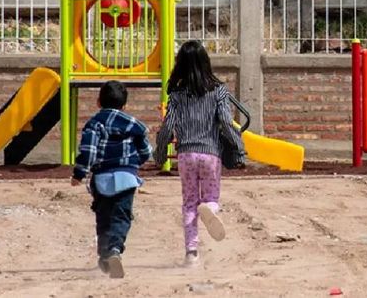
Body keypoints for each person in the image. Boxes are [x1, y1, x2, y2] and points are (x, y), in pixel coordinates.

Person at [155, 40, 245, 266]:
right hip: (211, 155)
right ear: (206, 62)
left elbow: (167, 126)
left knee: (189, 203)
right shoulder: (219, 91)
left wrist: (159, 152)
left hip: (186, 155)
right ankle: (211, 208)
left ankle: (191, 253)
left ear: (180, 65)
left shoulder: (176, 95)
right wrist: (238, 148)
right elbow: (225, 122)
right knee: (211, 198)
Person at [71, 80, 151, 278]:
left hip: (102, 178)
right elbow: (146, 151)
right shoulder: (134, 124)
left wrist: (79, 174)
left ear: (98, 102)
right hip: (126, 178)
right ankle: (115, 250)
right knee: (121, 216)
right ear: (125, 105)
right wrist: (136, 163)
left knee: (103, 218)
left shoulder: (94, 123)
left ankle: (104, 256)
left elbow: (88, 151)